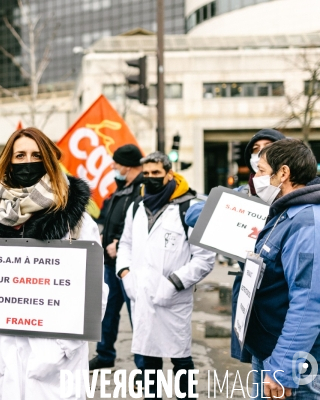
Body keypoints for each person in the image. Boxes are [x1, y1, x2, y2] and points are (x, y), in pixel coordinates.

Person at [0, 127, 108, 400]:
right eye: (20, 155)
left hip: (55, 353)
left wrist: (63, 346)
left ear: (50, 161)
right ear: (8, 161)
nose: (27, 162)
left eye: (36, 154)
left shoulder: (75, 220)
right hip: (1, 348)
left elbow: (94, 292)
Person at [184, 128, 285, 369]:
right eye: (255, 150)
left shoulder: (289, 196)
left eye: (267, 148)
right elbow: (192, 214)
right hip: (251, 292)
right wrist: (239, 208)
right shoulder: (243, 193)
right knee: (259, 367)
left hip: (280, 295)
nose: (259, 154)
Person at [116, 151, 215, 399]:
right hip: (141, 294)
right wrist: (126, 273)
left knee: (180, 361)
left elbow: (204, 258)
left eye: (156, 173)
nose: (150, 178)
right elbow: (125, 244)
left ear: (169, 174)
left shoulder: (188, 208)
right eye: (146, 174)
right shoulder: (137, 207)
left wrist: (174, 283)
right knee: (149, 361)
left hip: (173, 299)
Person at [243, 139, 320, 399]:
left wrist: (283, 369)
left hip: (291, 362)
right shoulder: (285, 213)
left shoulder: (307, 222)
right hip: (269, 350)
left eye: (262, 171)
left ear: (283, 173)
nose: (256, 178)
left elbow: (308, 302)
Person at [90, 144, 145, 373]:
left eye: (116, 163)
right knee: (107, 312)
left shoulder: (142, 189)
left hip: (130, 265)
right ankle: (105, 354)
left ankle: (144, 367)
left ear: (126, 165)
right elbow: (109, 218)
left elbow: (139, 224)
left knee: (137, 317)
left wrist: (118, 243)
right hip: (110, 263)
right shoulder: (121, 189)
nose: (113, 167)